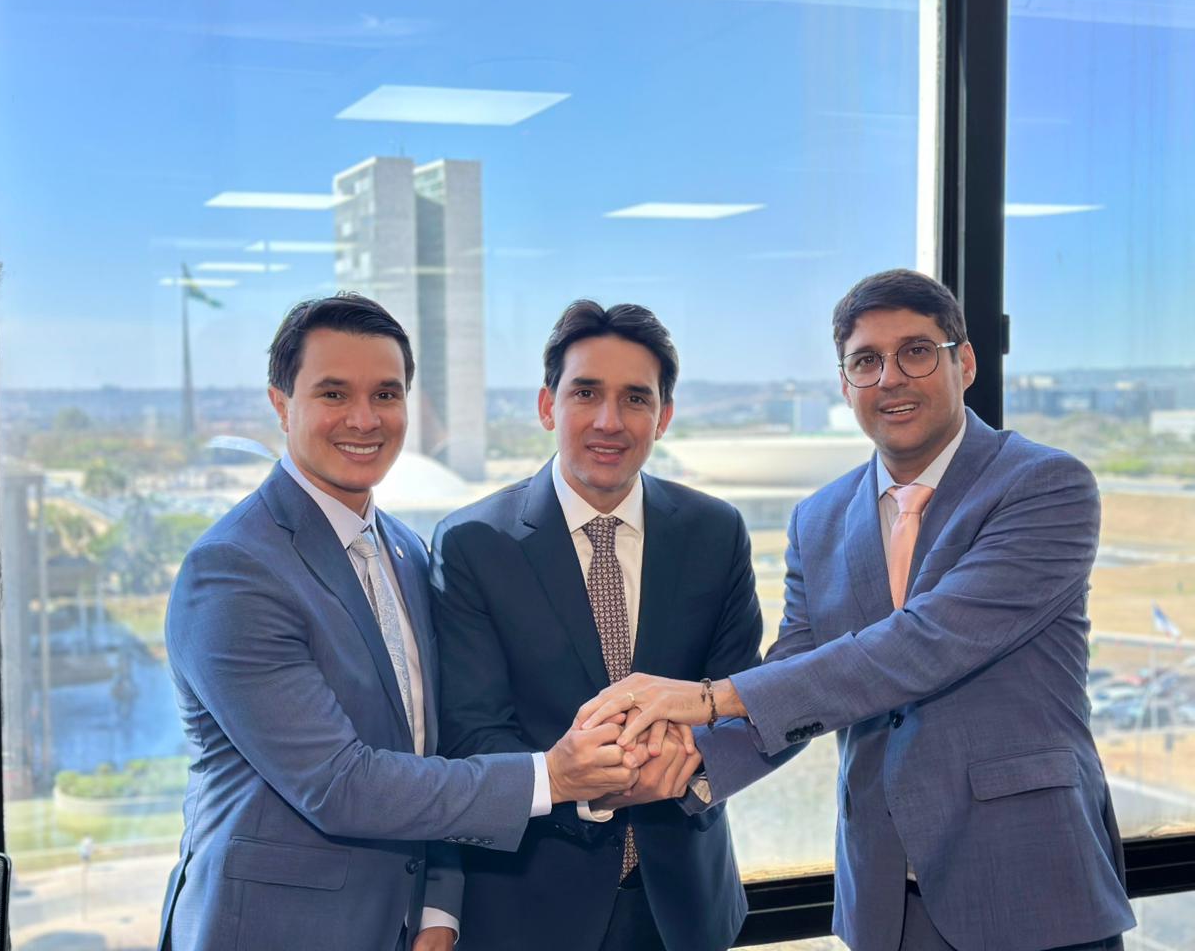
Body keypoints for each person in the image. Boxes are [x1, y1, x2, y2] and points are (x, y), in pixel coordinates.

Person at [579, 270, 1136, 951]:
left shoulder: (1045, 485)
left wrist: (705, 698)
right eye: (865, 361)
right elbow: (798, 677)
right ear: (845, 386)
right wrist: (684, 764)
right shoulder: (818, 518)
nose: (890, 378)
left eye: (916, 352)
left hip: (1030, 880)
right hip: (883, 900)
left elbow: (925, 644)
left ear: (964, 362)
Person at [158, 294, 638, 951]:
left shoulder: (407, 551)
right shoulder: (233, 569)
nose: (364, 419)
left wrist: (439, 903)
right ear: (281, 404)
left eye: (385, 394)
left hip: (402, 927)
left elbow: (428, 750)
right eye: (334, 393)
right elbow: (339, 783)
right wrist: (550, 775)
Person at [432, 300, 762, 951]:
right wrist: (593, 781)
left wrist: (693, 762)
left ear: (663, 417)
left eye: (636, 398)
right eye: (586, 393)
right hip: (530, 907)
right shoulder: (472, 543)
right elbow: (471, 729)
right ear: (547, 406)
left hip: (685, 908)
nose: (610, 421)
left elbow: (742, 699)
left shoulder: (716, 532)